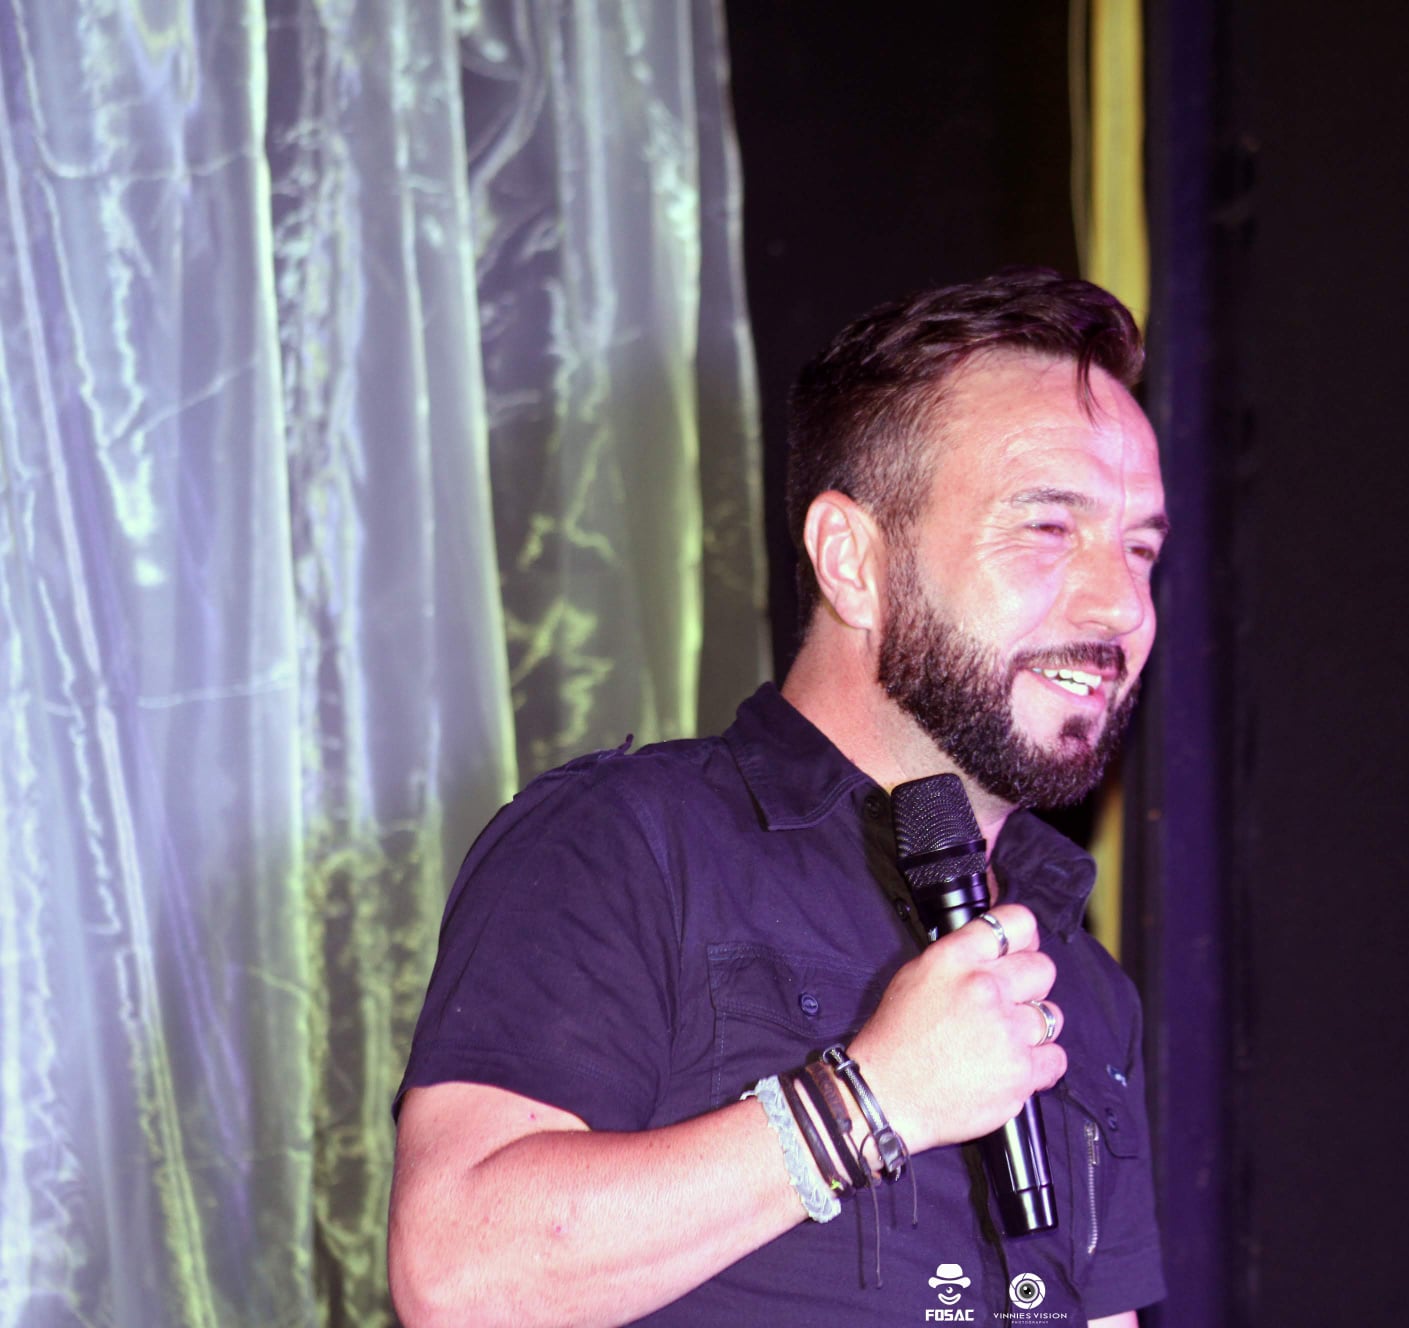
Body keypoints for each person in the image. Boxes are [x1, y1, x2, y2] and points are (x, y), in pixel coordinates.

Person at [388, 269, 1169, 1327]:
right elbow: (459, 1276)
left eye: (1140, 548)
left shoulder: (1079, 973)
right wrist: (868, 1102)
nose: (1121, 605)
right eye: (1046, 528)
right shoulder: (629, 843)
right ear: (852, 562)